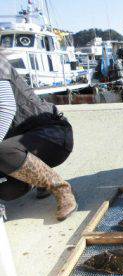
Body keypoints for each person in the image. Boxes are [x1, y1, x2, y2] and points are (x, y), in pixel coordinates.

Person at [0, 52, 77, 221]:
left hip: (50, 133)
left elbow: (6, 108)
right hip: (19, 146)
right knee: (9, 191)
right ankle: (35, 180)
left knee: (3, 151)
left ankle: (61, 188)